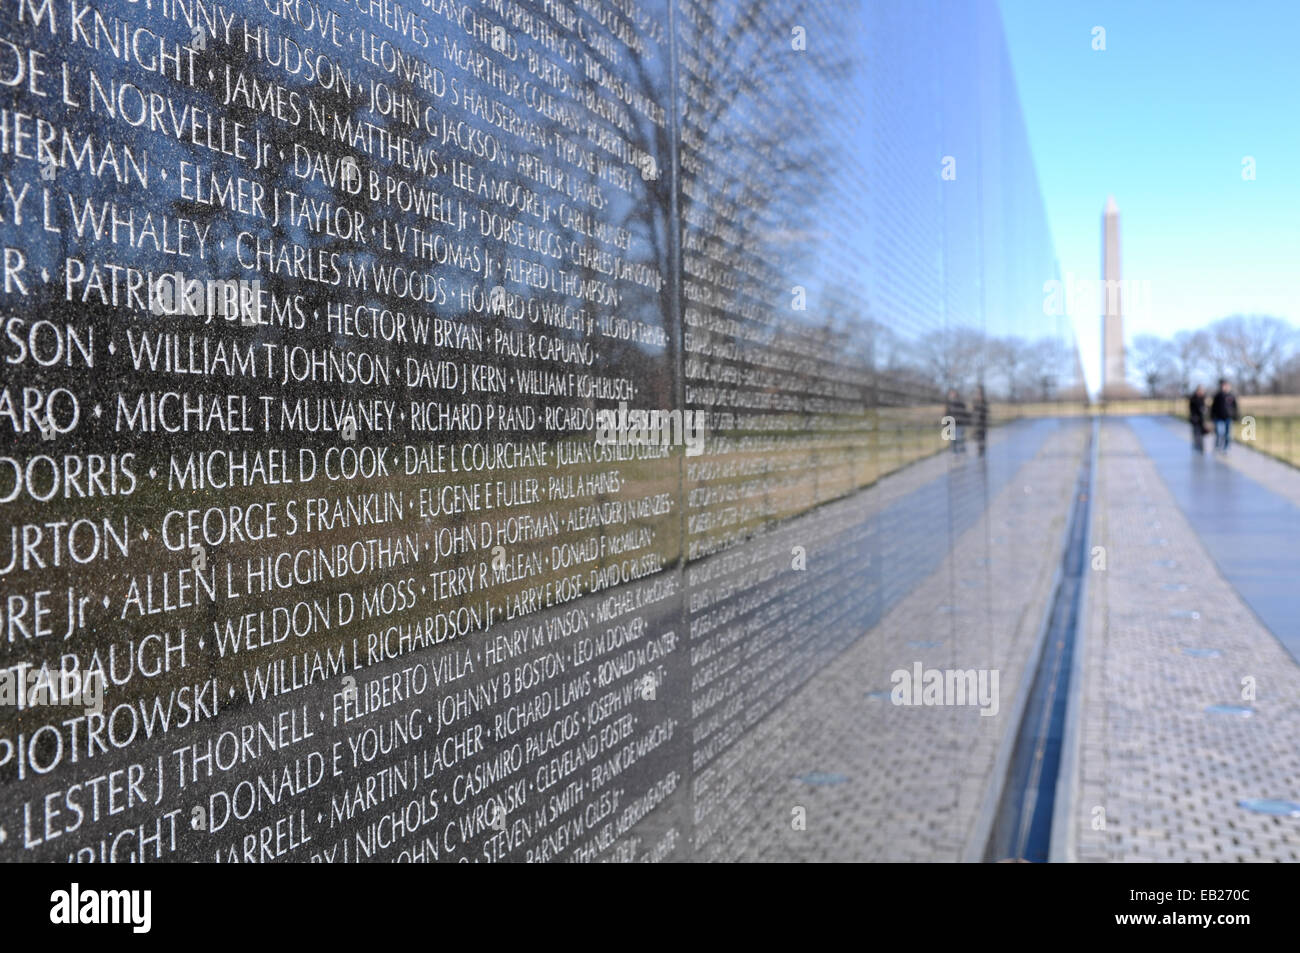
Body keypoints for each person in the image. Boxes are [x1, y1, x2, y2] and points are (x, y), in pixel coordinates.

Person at [1209, 378, 1238, 453]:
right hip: (1219, 418)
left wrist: (1235, 416)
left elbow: (1235, 407)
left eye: (1226, 386)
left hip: (1228, 418)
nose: (1224, 387)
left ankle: (1226, 448)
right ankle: (1218, 446)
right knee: (1219, 432)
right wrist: (1212, 416)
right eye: (1223, 386)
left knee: (1228, 434)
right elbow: (1213, 407)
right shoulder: (1217, 396)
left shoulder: (1231, 396)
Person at [945, 389, 967, 453]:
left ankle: (961, 453)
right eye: (951, 394)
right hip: (951, 425)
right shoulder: (949, 404)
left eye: (953, 393)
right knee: (953, 441)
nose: (952, 395)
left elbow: (964, 413)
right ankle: (954, 455)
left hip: (959, 424)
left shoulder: (960, 403)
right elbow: (947, 414)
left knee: (960, 440)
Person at [1188, 385, 1207, 453]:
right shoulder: (1193, 398)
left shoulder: (1203, 398)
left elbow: (1204, 407)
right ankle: (1196, 446)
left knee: (1201, 434)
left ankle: (1201, 447)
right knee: (1196, 433)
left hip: (1201, 419)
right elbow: (1191, 409)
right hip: (1195, 419)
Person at [973, 384, 989, 457]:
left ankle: (982, 450)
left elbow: (986, 411)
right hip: (977, 423)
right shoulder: (975, 401)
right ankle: (979, 450)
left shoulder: (984, 402)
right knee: (978, 438)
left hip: (983, 423)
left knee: (983, 437)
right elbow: (974, 411)